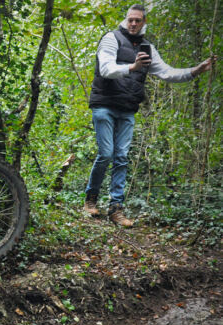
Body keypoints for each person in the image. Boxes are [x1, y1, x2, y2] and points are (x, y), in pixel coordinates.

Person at [84, 4, 216, 226]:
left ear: (144, 22)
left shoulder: (148, 48)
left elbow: (167, 73)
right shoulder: (111, 38)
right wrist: (132, 67)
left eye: (138, 20)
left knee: (122, 157)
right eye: (130, 20)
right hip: (104, 105)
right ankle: (91, 199)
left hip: (128, 108)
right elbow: (106, 69)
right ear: (126, 20)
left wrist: (196, 71)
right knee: (106, 153)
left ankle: (116, 209)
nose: (133, 24)